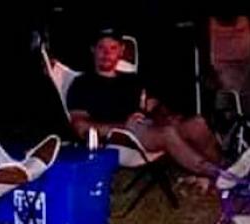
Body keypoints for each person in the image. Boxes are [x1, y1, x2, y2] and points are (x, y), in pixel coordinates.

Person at [67, 27, 250, 184]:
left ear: (121, 51)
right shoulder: (82, 83)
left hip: (148, 127)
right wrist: (123, 126)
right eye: (101, 48)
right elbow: (80, 126)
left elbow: (153, 106)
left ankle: (224, 168)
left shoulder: (131, 80)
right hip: (121, 138)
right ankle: (224, 176)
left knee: (197, 123)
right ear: (93, 50)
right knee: (168, 133)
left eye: (113, 48)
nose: (107, 53)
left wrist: (165, 115)